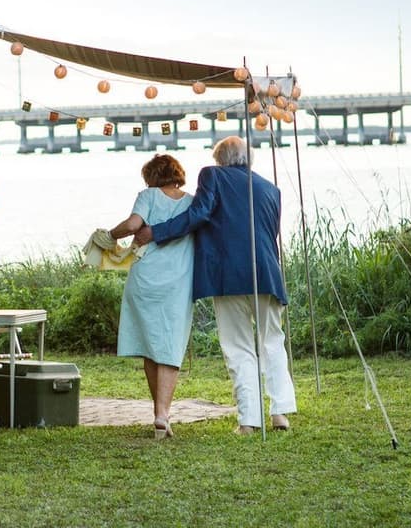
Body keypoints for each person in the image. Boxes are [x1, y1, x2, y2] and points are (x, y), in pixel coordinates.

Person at [134, 136, 296, 435]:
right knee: (273, 342)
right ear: (249, 158)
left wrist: (156, 232)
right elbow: (270, 233)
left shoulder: (212, 175)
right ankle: (280, 412)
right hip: (267, 273)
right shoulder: (271, 188)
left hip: (228, 273)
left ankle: (249, 420)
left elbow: (199, 214)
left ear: (219, 158)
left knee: (238, 346)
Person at [109, 153, 195, 439]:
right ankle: (162, 415)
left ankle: (158, 413)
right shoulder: (192, 202)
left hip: (145, 278)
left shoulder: (148, 195)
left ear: (151, 176)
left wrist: (110, 235)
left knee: (150, 344)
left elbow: (133, 225)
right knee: (169, 344)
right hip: (177, 283)